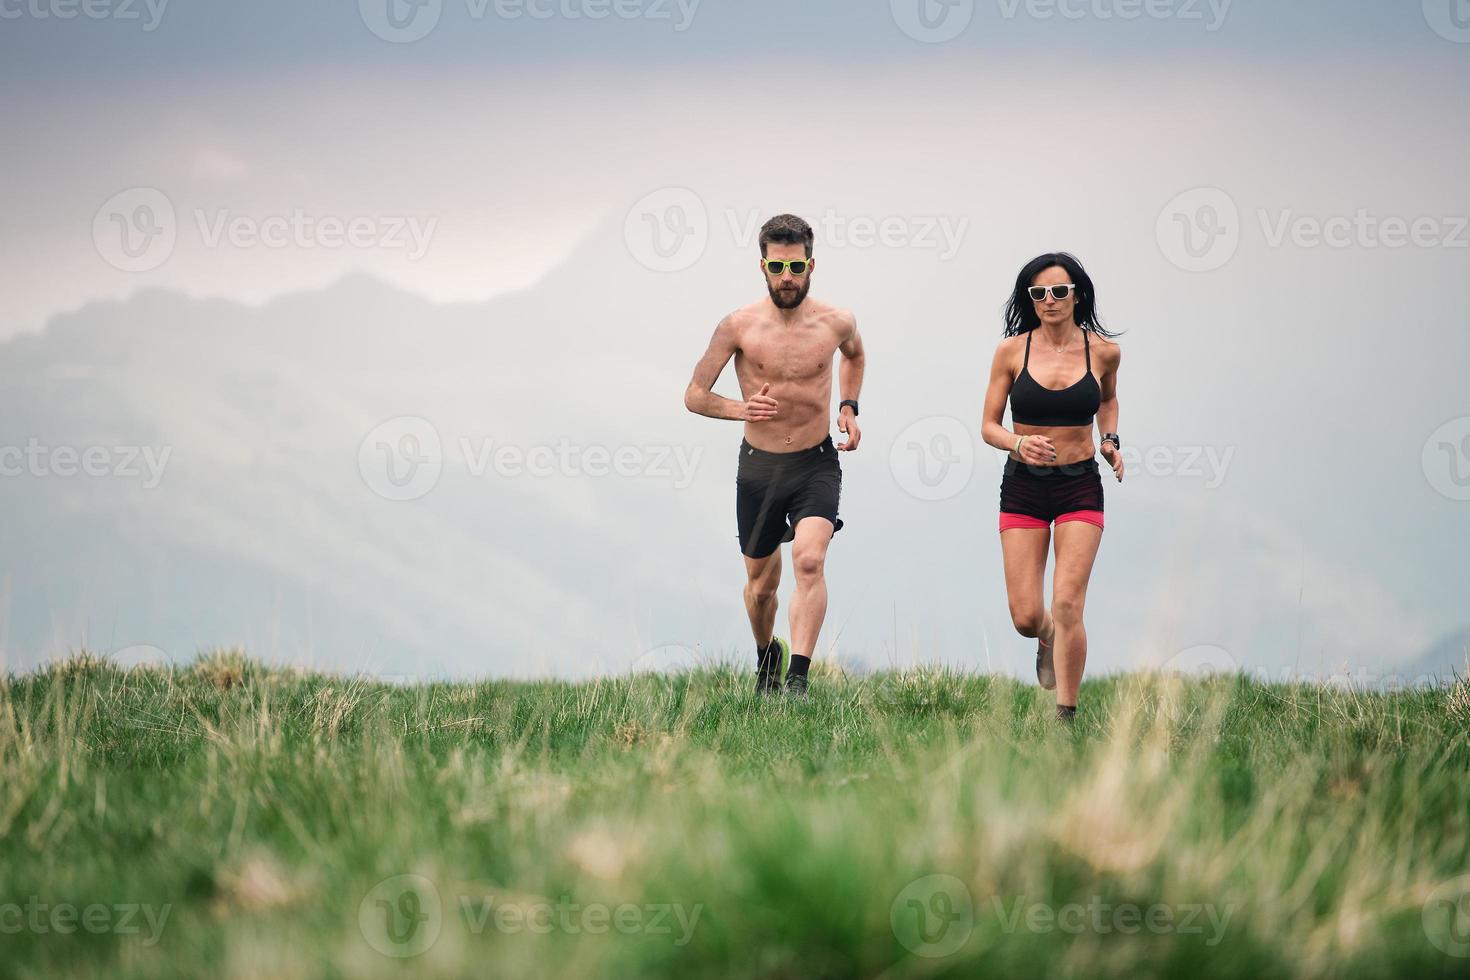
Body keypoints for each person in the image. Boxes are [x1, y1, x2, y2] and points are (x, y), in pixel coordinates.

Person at [683, 214, 866, 696]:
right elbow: (695, 395)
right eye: (778, 266)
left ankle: (798, 679)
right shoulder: (738, 326)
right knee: (761, 586)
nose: (788, 276)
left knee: (809, 561)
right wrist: (741, 408)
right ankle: (767, 655)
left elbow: (855, 355)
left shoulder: (837, 322)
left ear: (812, 265)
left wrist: (848, 407)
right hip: (760, 467)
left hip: (816, 462)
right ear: (761, 265)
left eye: (797, 266)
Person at [980, 253, 1124, 722]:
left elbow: (1109, 399)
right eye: (1038, 293)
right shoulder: (1011, 352)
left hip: (1079, 485)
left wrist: (1110, 440)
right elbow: (987, 426)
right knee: (1026, 615)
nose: (1049, 300)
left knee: (1067, 601)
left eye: (1059, 291)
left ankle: (1066, 716)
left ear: (1077, 294)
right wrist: (1018, 443)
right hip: (1023, 486)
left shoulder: (1102, 352)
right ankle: (1045, 636)